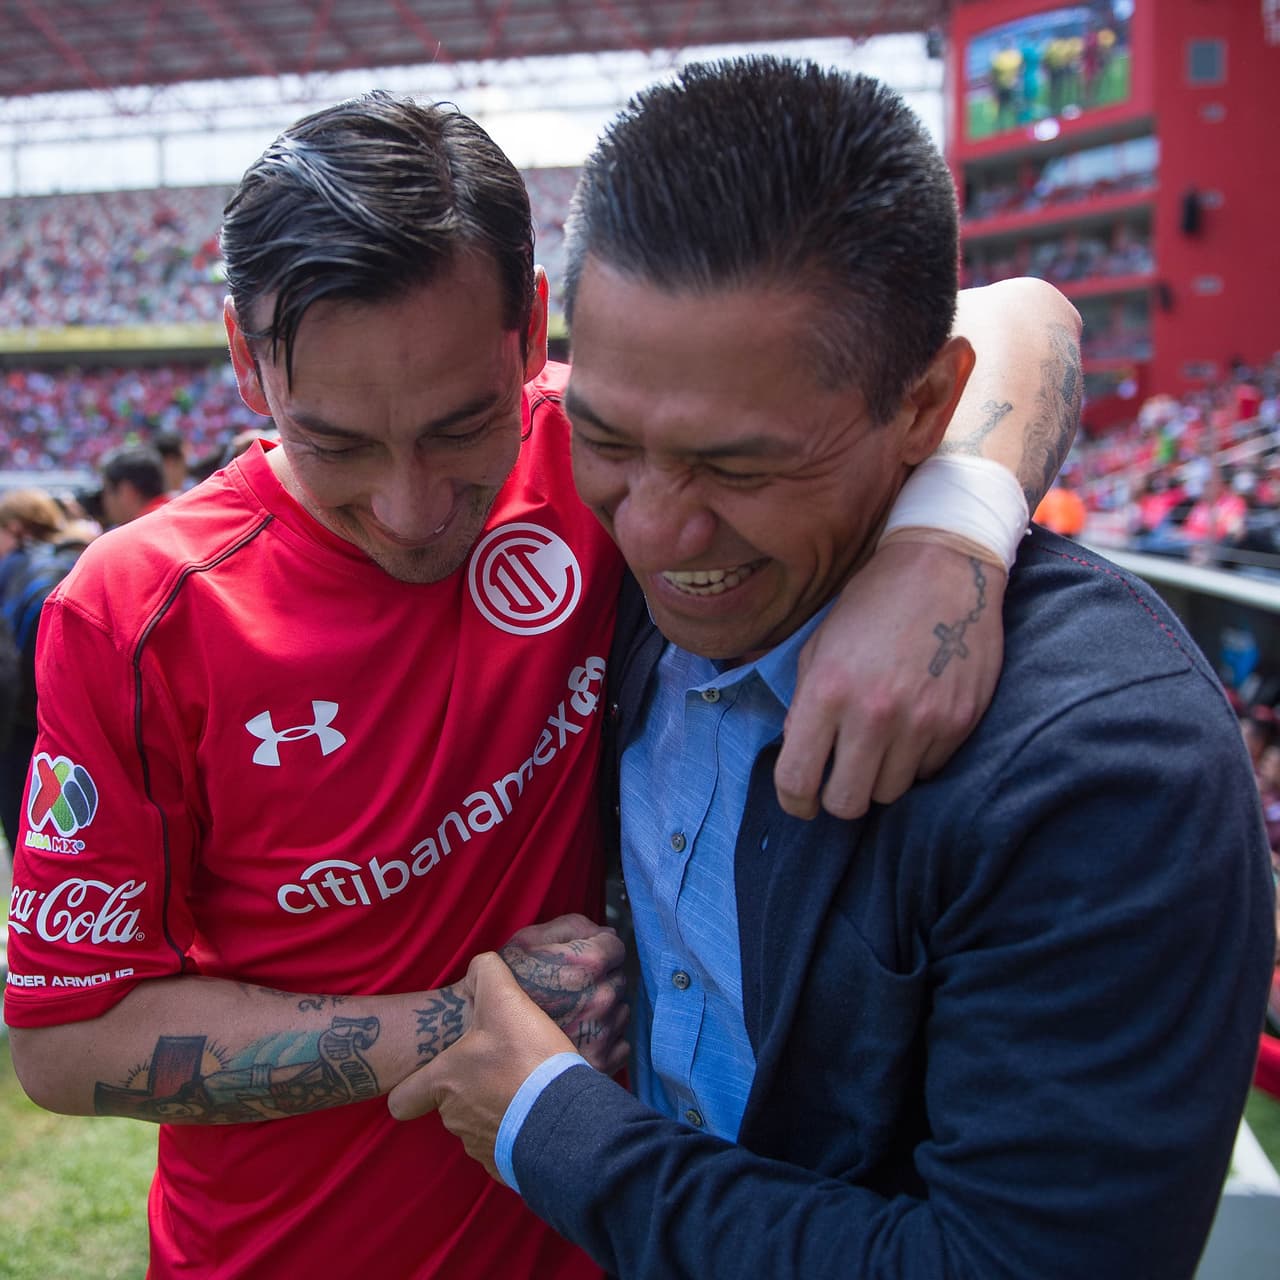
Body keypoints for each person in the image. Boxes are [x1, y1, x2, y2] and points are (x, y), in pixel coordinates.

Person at [5, 89, 1083, 1279]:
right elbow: (65, 1038)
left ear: (528, 327)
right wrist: (465, 1025)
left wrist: (948, 540)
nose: (412, 511)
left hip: (587, 1235)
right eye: (339, 444)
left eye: (463, 427)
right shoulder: (137, 611)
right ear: (243, 362)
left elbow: (1021, 316)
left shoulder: (613, 457)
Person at [392, 58, 1278, 1279]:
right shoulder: (620, 556)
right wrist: (951, 522)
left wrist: (555, 1124)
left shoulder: (1101, 767)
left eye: (738, 468)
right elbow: (1027, 311)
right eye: (600, 438)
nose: (649, 529)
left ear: (924, 407)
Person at [97, 442, 170, 527]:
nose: (104, 500)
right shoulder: (183, 513)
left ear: (127, 492)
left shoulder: (137, 533)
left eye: (107, 491)